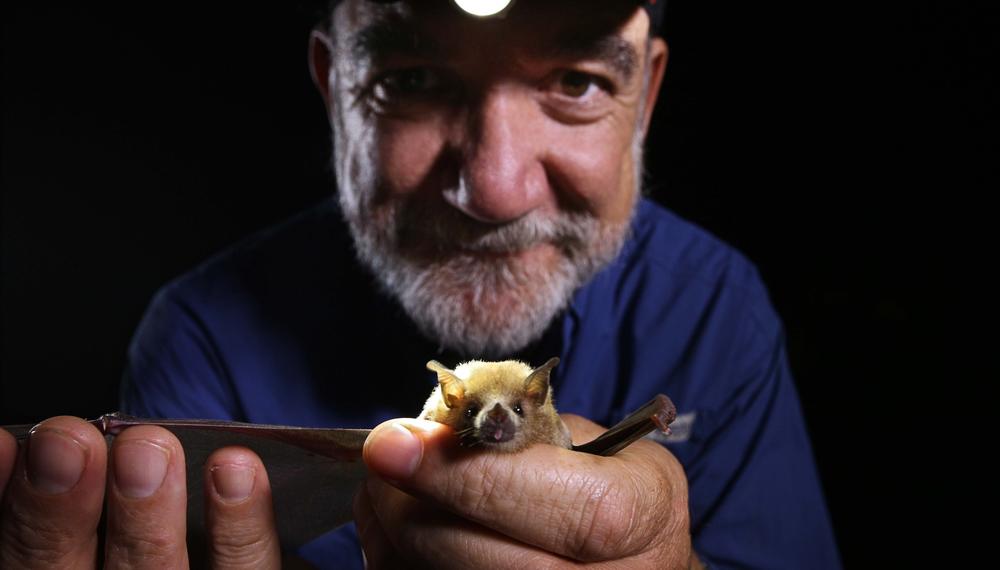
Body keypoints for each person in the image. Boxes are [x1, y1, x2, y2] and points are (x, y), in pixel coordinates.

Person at [0, 0, 841, 568]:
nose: (496, 190)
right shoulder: (208, 334)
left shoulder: (709, 309)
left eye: (577, 81)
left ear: (646, 95)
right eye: (410, 82)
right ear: (335, 89)